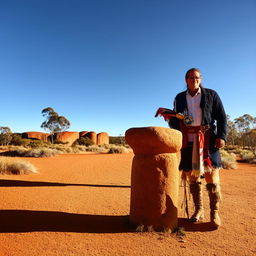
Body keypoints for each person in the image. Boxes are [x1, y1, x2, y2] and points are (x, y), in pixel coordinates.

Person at [168, 68, 227, 229]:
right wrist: (173, 122)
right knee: (192, 177)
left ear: (200, 79)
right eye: (191, 77)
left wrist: (221, 136)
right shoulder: (179, 98)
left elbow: (221, 116)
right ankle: (199, 210)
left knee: (211, 176)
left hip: (208, 139)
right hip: (188, 140)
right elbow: (174, 119)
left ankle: (214, 213)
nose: (194, 80)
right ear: (186, 80)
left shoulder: (211, 95)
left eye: (197, 77)